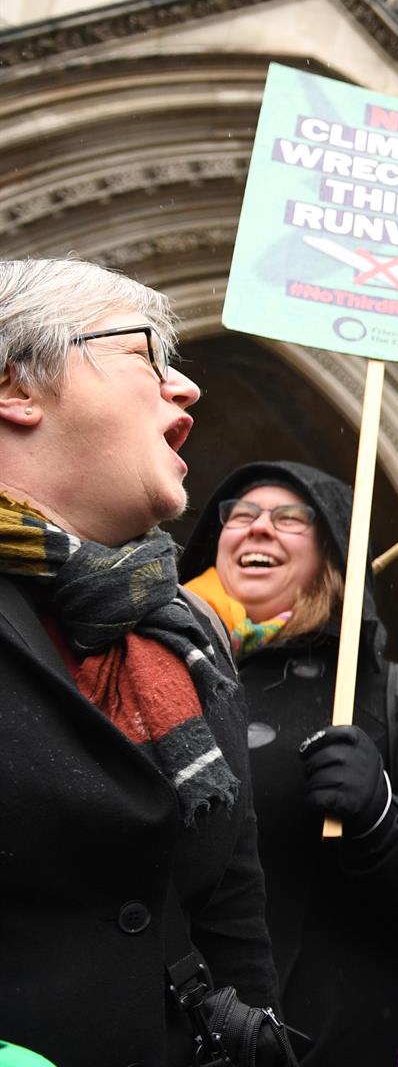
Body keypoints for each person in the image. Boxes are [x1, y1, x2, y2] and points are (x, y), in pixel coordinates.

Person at [0, 259, 283, 1065]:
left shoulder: (181, 630)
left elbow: (233, 919)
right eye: (146, 356)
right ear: (18, 387)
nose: (185, 389)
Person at [179, 460, 398, 1065]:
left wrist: (382, 820)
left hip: (333, 1043)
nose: (258, 528)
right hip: (182, 1036)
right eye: (241, 515)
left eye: (290, 518)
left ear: (333, 551)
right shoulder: (158, 676)